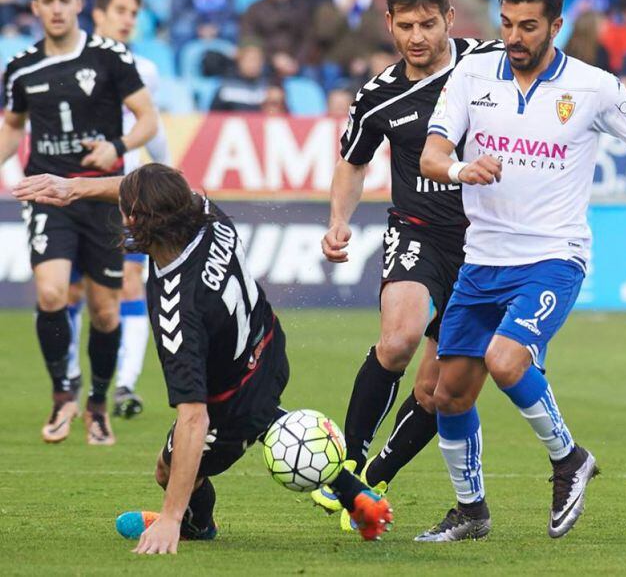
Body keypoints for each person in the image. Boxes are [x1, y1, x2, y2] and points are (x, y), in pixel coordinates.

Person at [418, 0, 626, 542]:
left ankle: (569, 459)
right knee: (449, 392)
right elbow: (431, 154)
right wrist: (459, 167)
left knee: (505, 360)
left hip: (552, 255)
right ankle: (472, 512)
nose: (514, 38)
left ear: (556, 24)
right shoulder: (472, 74)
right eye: (505, 24)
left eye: (527, 26)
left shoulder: (593, 88)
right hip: (482, 258)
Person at [11, 164, 393, 554]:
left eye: (127, 210)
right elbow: (152, 190)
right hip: (269, 348)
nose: (121, 213)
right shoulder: (206, 214)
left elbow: (195, 417)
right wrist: (75, 188)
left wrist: (170, 518)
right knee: (258, 413)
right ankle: (351, 491)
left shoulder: (178, 310)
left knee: (168, 468)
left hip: (229, 399)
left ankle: (197, 525)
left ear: (141, 222)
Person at [312, 0, 503, 532]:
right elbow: (352, 162)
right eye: (405, 26)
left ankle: (375, 477)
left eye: (427, 24)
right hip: (419, 231)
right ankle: (345, 464)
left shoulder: (486, 63)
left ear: (448, 18)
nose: (417, 37)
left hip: (490, 245)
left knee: (436, 386)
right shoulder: (378, 96)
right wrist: (338, 221)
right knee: (396, 340)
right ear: (389, 24)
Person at [0, 0, 158, 444]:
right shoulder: (22, 67)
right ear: (35, 7)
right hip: (49, 193)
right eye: (46, 0)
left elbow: (148, 118)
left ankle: (98, 404)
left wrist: (118, 145)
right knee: (50, 294)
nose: (55, 8)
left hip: (103, 194)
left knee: (105, 311)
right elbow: (12, 125)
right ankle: (62, 395)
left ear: (77, 3)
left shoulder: (109, 57)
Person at [65, 0, 171, 419]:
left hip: (126, 190)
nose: (130, 19)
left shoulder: (145, 69)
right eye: (122, 10)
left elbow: (154, 125)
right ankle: (70, 378)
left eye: (134, 12)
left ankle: (125, 384)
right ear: (100, 15)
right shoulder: (74, 62)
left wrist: (169, 172)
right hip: (74, 188)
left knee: (130, 282)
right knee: (72, 289)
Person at [312, 0, 385, 90]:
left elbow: (376, 38)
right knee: (330, 71)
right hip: (334, 60)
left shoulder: (371, 10)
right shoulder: (327, 8)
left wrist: (364, 59)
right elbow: (324, 35)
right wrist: (343, 13)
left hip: (362, 61)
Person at [239, 0, 310, 79]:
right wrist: (273, 58)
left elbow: (308, 37)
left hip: (296, 62)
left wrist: (296, 61)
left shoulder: (301, 8)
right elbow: (249, 38)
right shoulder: (255, 9)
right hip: (265, 61)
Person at [210, 42, 274, 112]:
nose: (253, 65)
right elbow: (214, 116)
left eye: (257, 61)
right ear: (240, 62)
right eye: (249, 60)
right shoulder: (227, 87)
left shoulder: (269, 85)